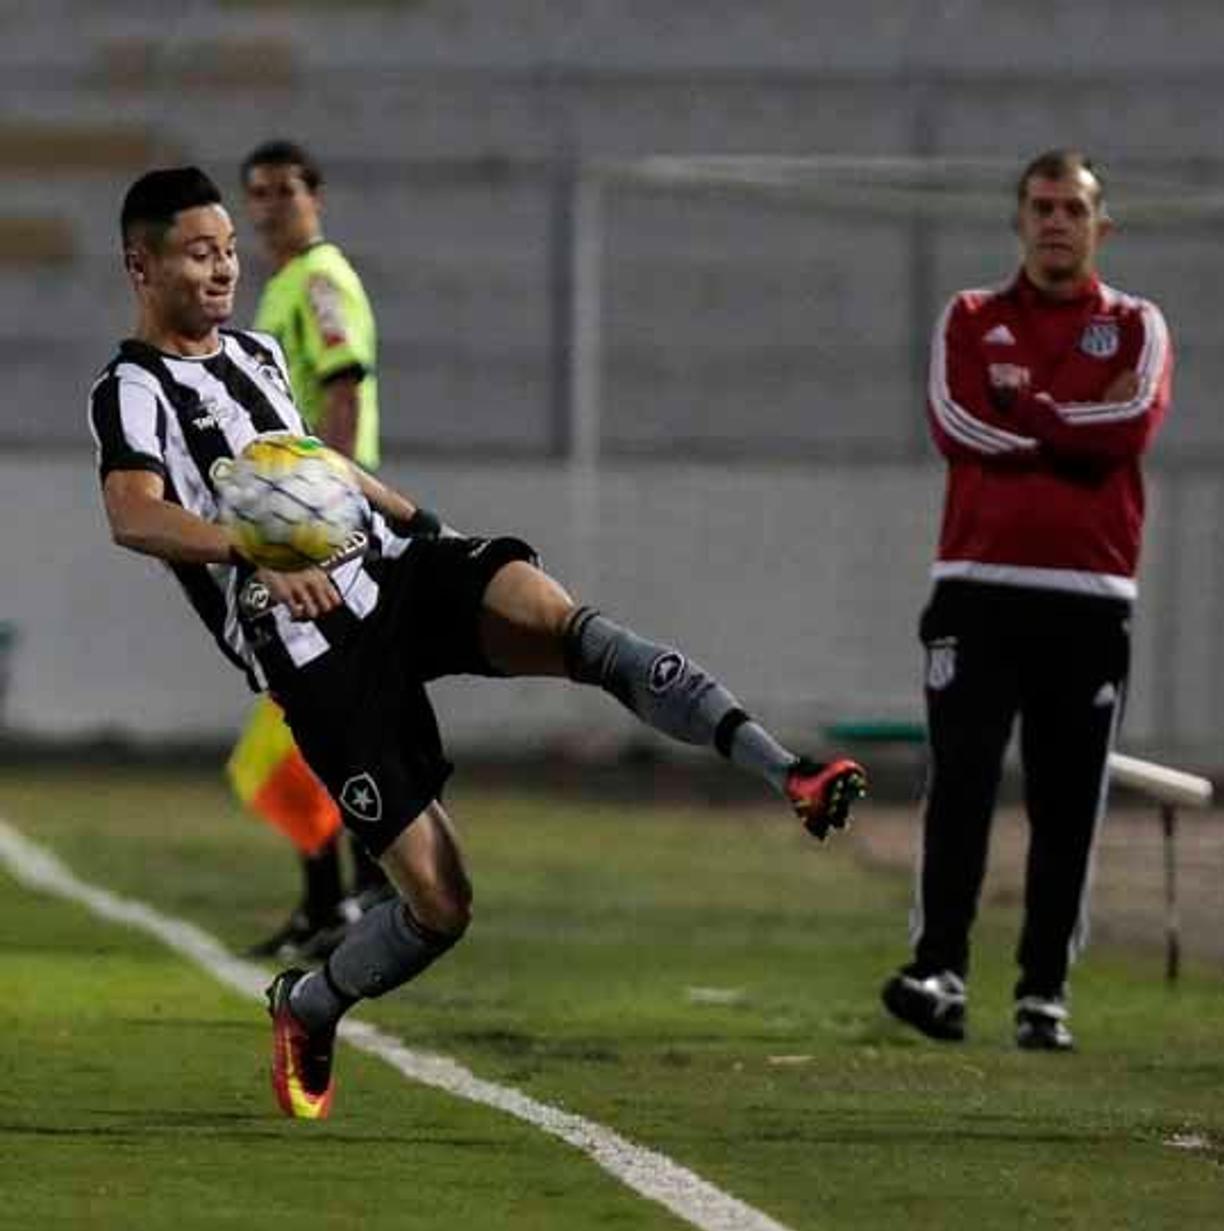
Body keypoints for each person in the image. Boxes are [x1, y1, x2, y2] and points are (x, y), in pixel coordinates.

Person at [89, 167, 868, 1120]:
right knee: (441, 904)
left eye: (228, 250)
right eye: (199, 252)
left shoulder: (256, 352)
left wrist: (423, 521)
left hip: (395, 575)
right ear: (141, 263)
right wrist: (250, 547)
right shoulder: (132, 389)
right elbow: (134, 514)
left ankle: (788, 769)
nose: (223, 270)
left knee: (567, 623)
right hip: (313, 655)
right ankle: (311, 1003)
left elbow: (319, 465)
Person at [880, 150, 1173, 1051]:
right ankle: (940, 970)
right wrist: (1071, 421)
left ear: (1100, 227)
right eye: (1042, 207)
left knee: (1067, 801)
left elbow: (1133, 426)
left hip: (1089, 596)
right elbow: (954, 424)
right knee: (960, 786)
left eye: (1073, 209)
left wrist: (1029, 411)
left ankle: (1043, 992)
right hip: (976, 588)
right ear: (1019, 220)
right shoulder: (970, 317)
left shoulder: (1136, 326)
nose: (1056, 222)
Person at [234, 139, 388, 960]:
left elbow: (342, 383)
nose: (269, 205)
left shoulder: (321, 280)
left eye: (283, 189)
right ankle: (336, 898)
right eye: (256, 192)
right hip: (289, 524)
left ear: (315, 195)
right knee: (303, 719)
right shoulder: (287, 286)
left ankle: (362, 892)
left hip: (319, 529)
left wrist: (326, 511)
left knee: (318, 715)